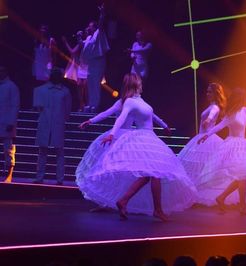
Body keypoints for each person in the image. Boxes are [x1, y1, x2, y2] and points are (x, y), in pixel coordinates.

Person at [76, 73, 196, 221]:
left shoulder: (141, 101)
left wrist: (165, 126)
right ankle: (153, 209)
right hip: (143, 138)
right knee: (153, 173)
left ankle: (125, 201)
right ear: (136, 84)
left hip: (150, 138)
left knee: (150, 174)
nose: (142, 84)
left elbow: (152, 115)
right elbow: (119, 117)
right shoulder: (128, 102)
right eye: (140, 82)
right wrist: (110, 132)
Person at [178, 83, 226, 185]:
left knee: (205, 163)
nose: (207, 94)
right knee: (200, 163)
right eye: (207, 91)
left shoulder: (215, 107)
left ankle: (203, 185)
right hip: (202, 136)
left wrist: (208, 120)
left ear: (215, 93)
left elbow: (212, 114)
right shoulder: (211, 105)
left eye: (210, 92)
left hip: (207, 137)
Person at [33, 68, 72, 185]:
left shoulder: (65, 92)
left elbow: (67, 110)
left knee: (59, 151)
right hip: (45, 122)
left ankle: (60, 179)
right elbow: (37, 107)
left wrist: (63, 119)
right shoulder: (41, 90)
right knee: (42, 151)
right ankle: (39, 177)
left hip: (58, 123)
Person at [80, 4, 110, 113]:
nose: (89, 27)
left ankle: (95, 105)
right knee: (90, 83)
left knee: (96, 84)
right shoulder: (89, 37)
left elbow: (101, 24)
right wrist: (79, 37)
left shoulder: (98, 33)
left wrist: (102, 14)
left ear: (95, 27)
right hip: (91, 63)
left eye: (90, 26)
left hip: (99, 62)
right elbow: (83, 47)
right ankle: (90, 104)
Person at [0, 66, 20, 183]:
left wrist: (11, 122)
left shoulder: (12, 86)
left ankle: (9, 174)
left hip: (6, 123)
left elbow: (15, 105)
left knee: (8, 150)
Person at [62, 30, 89, 112]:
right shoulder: (81, 43)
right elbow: (72, 52)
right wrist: (65, 42)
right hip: (81, 66)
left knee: (86, 86)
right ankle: (81, 105)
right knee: (79, 85)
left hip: (88, 66)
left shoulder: (89, 42)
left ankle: (88, 105)